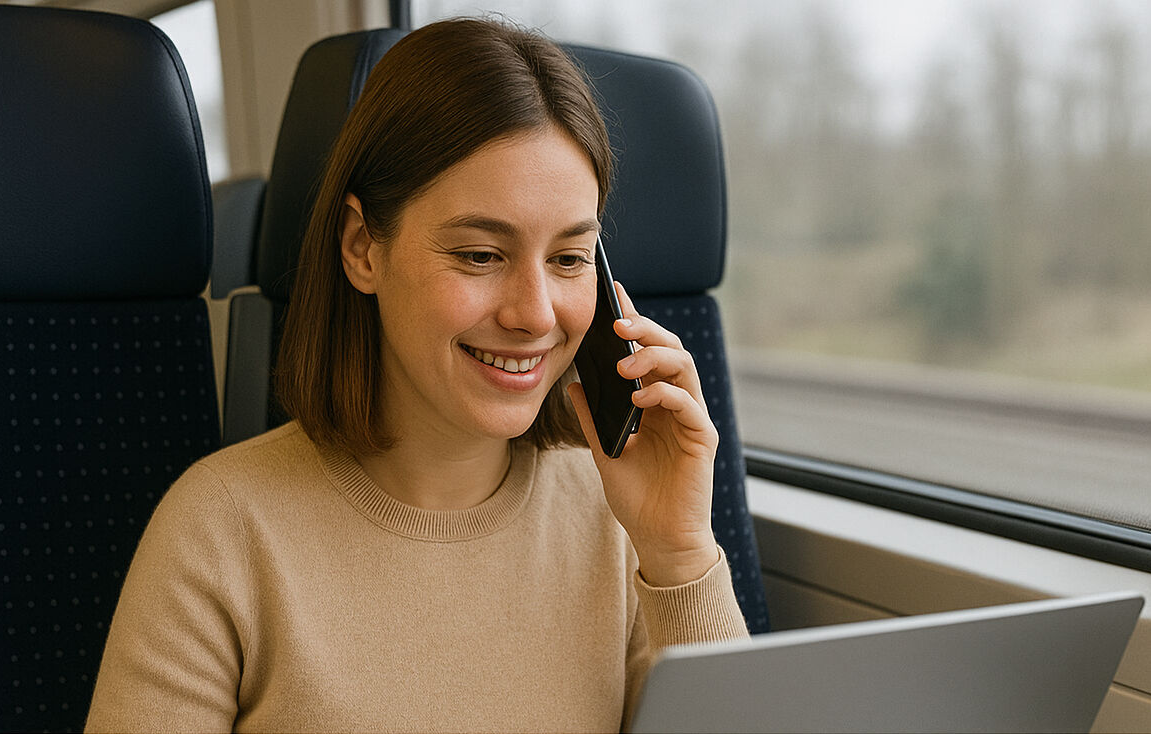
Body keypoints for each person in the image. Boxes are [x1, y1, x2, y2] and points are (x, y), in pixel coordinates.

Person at [84, 16, 748, 733]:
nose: (535, 314)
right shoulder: (221, 532)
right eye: (479, 255)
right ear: (364, 248)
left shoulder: (620, 524)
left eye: (568, 259)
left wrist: (679, 554)